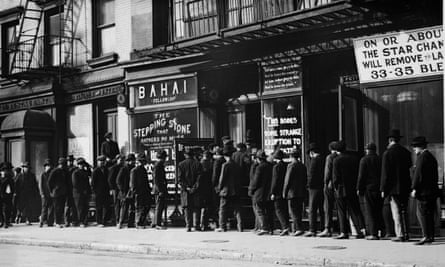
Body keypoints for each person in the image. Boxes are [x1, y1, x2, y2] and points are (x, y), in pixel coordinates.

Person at [380, 129, 412, 242]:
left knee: (396, 211)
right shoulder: (406, 152)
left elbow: (385, 173)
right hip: (405, 185)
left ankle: (400, 234)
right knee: (405, 210)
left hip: (393, 187)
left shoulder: (387, 153)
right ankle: (407, 232)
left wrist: (383, 188)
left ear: (390, 140)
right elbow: (409, 168)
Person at [333, 141, 365, 239]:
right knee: (355, 209)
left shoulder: (336, 160)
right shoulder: (354, 159)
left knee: (341, 211)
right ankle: (362, 229)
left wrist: (335, 186)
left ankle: (344, 231)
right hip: (352, 187)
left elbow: (335, 176)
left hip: (341, 188)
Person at [410, 136, 439, 245]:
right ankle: (430, 235)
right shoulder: (431, 157)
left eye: (415, 147)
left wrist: (414, 188)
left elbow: (418, 175)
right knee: (430, 214)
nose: (414, 149)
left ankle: (426, 235)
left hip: (423, 192)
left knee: (422, 214)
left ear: (420, 147)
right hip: (432, 190)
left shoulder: (422, 157)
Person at [357, 143, 383, 240]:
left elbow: (361, 176)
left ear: (367, 150)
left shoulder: (364, 160)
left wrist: (359, 188)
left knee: (370, 211)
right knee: (378, 209)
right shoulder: (380, 159)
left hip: (369, 188)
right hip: (379, 188)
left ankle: (373, 233)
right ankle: (381, 230)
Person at [215, 146, 243, 232]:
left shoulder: (225, 165)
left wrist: (219, 188)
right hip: (236, 190)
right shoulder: (237, 165)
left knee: (223, 209)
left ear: (225, 156)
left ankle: (222, 226)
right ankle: (240, 226)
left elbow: (222, 179)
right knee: (237, 209)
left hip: (226, 191)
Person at [283, 150, 307, 236]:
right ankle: (299, 228)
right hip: (301, 191)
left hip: (292, 192)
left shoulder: (291, 166)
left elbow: (287, 180)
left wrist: (284, 192)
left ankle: (298, 228)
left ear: (291, 157)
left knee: (293, 211)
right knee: (299, 211)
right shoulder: (303, 166)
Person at [249, 150, 273, 235]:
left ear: (258, 159)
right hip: (268, 191)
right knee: (267, 210)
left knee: (260, 210)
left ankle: (264, 228)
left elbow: (256, 181)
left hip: (260, 192)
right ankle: (269, 227)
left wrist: (251, 190)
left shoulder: (259, 167)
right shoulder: (270, 166)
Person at [178, 149, 202, 232]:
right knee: (196, 207)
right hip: (197, 190)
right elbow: (199, 179)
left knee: (187, 208)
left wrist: (186, 187)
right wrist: (194, 188)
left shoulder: (181, 164)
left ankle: (188, 226)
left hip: (185, 190)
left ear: (185, 155)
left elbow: (180, 179)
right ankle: (197, 225)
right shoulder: (198, 164)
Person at [317, 141, 338, 237]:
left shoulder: (330, 157)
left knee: (328, 207)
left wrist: (325, 182)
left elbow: (327, 172)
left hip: (330, 185)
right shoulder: (340, 156)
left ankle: (327, 228)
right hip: (339, 185)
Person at [304, 143, 325, 237]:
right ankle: (323, 227)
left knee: (312, 209)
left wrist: (308, 185)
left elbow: (311, 175)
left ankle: (312, 229)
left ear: (311, 152)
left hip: (314, 188)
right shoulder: (323, 159)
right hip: (322, 186)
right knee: (321, 209)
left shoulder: (314, 161)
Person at [270, 149, 289, 236]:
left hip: (277, 191)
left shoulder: (276, 167)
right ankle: (286, 226)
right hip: (285, 190)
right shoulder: (286, 165)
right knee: (284, 209)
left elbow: (275, 180)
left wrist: (273, 192)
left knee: (278, 210)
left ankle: (285, 227)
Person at [130, 155, 151, 229]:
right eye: (141, 161)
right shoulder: (134, 171)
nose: (143, 163)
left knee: (146, 207)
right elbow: (132, 183)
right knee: (139, 208)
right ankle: (138, 223)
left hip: (145, 191)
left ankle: (141, 221)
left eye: (143, 161)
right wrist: (135, 192)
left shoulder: (143, 170)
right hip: (138, 192)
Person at [48, 158, 69, 228]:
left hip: (63, 192)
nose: (62, 166)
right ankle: (57, 222)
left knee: (61, 207)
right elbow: (49, 182)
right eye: (62, 164)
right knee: (57, 208)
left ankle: (60, 221)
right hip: (56, 193)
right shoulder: (55, 171)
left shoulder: (65, 171)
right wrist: (51, 191)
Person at [117, 153, 136, 229]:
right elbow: (118, 180)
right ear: (128, 161)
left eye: (133, 160)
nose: (133, 162)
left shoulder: (134, 168)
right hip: (124, 192)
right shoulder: (124, 169)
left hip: (131, 191)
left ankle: (130, 223)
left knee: (132, 208)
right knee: (124, 208)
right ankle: (120, 222)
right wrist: (122, 190)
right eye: (131, 161)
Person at [72, 158, 92, 227]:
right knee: (79, 208)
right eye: (80, 164)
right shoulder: (75, 172)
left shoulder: (85, 171)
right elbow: (75, 184)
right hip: (78, 193)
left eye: (83, 164)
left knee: (85, 207)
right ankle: (81, 221)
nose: (82, 166)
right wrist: (82, 190)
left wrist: (88, 166)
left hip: (85, 192)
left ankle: (85, 221)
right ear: (78, 165)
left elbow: (90, 174)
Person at [91, 155, 110, 227]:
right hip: (98, 192)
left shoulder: (106, 170)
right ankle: (99, 221)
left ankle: (104, 220)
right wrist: (95, 191)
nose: (102, 163)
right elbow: (93, 183)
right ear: (98, 162)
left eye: (103, 161)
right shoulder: (95, 171)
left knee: (106, 206)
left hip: (105, 191)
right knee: (99, 207)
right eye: (100, 161)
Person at [152, 150, 168, 229]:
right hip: (159, 189)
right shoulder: (158, 165)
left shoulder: (158, 165)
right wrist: (160, 190)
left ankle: (155, 222)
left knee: (159, 206)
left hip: (158, 189)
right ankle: (157, 223)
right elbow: (157, 179)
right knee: (159, 206)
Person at [108, 155, 125, 225]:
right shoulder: (113, 168)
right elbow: (110, 179)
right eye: (120, 160)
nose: (122, 161)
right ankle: (117, 219)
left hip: (121, 188)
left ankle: (121, 219)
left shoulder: (123, 168)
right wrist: (111, 188)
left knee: (121, 204)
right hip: (115, 189)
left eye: (122, 160)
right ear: (117, 160)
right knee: (116, 204)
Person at [199, 150, 214, 231]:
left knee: (203, 206)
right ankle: (204, 224)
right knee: (207, 206)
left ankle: (202, 224)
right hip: (207, 187)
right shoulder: (208, 164)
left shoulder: (200, 163)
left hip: (202, 188)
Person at [211, 148, 225, 229]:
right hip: (225, 186)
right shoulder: (225, 160)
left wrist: (213, 185)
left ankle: (218, 223)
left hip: (217, 186)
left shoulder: (217, 162)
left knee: (217, 205)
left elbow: (215, 175)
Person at [39, 159, 54, 227]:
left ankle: (50, 221)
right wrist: (42, 193)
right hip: (45, 194)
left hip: (51, 193)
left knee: (51, 208)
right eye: (47, 166)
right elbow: (41, 185)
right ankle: (42, 221)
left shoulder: (52, 174)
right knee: (44, 208)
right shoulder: (43, 174)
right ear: (45, 167)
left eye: (49, 166)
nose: (49, 167)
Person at [65, 155, 78, 227]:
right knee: (67, 206)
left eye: (71, 161)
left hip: (73, 189)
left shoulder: (75, 169)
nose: (70, 162)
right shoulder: (65, 169)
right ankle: (67, 221)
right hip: (67, 190)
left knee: (73, 206)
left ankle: (74, 220)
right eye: (69, 161)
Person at [0, 164, 15, 228]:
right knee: (6, 209)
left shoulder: (7, 177)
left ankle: (4, 222)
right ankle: (5, 222)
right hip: (5, 195)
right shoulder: (8, 177)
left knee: (5, 209)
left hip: (5, 195)